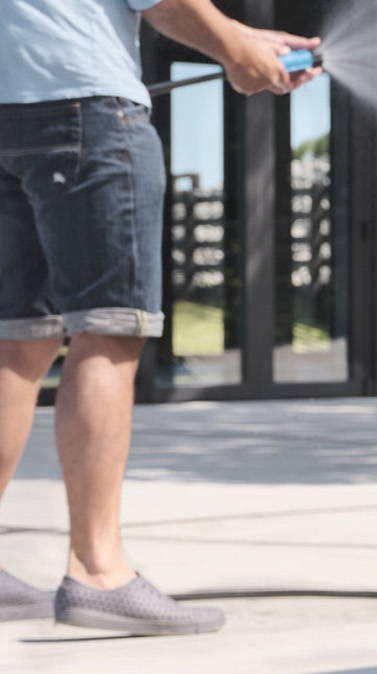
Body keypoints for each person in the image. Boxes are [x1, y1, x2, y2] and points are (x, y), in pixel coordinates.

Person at [0, 0, 320, 635]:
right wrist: (238, 53)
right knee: (108, 327)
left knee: (17, 341)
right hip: (84, 104)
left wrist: (245, 38)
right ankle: (98, 571)